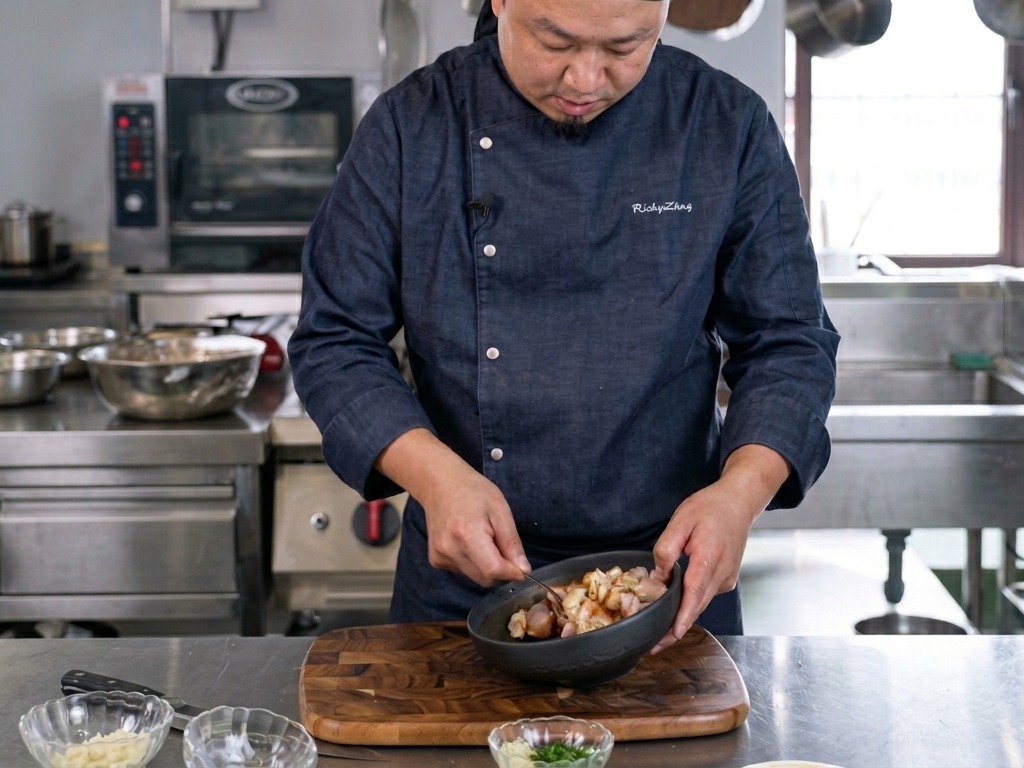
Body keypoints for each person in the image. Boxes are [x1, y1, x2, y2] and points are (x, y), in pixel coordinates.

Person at [288, 0, 839, 651]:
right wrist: (435, 476)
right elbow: (335, 340)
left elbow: (789, 343)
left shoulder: (724, 124)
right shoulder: (411, 126)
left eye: (625, 48)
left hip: (669, 578)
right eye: (554, 43)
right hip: (463, 581)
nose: (585, 79)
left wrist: (739, 496)